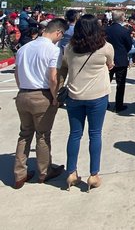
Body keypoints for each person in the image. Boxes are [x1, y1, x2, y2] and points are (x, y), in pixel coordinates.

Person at [60, 14, 115, 191]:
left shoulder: (69, 48)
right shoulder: (105, 47)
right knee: (95, 134)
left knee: (75, 134)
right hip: (97, 95)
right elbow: (110, 64)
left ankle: (71, 172)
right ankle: (94, 174)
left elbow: (65, 67)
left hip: (75, 95)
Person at [13, 18, 68, 189]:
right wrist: (54, 97)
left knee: (24, 134)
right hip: (42, 95)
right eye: (61, 35)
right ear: (58, 32)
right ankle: (44, 171)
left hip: (23, 93)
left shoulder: (24, 48)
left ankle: (19, 173)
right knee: (43, 135)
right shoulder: (53, 50)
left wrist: (22, 88)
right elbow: (53, 77)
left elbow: (16, 73)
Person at [105, 10, 133, 112]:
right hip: (121, 60)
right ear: (121, 18)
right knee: (120, 84)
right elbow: (129, 45)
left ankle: (104, 104)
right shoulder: (124, 31)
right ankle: (118, 105)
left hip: (107, 60)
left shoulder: (105, 30)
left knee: (105, 83)